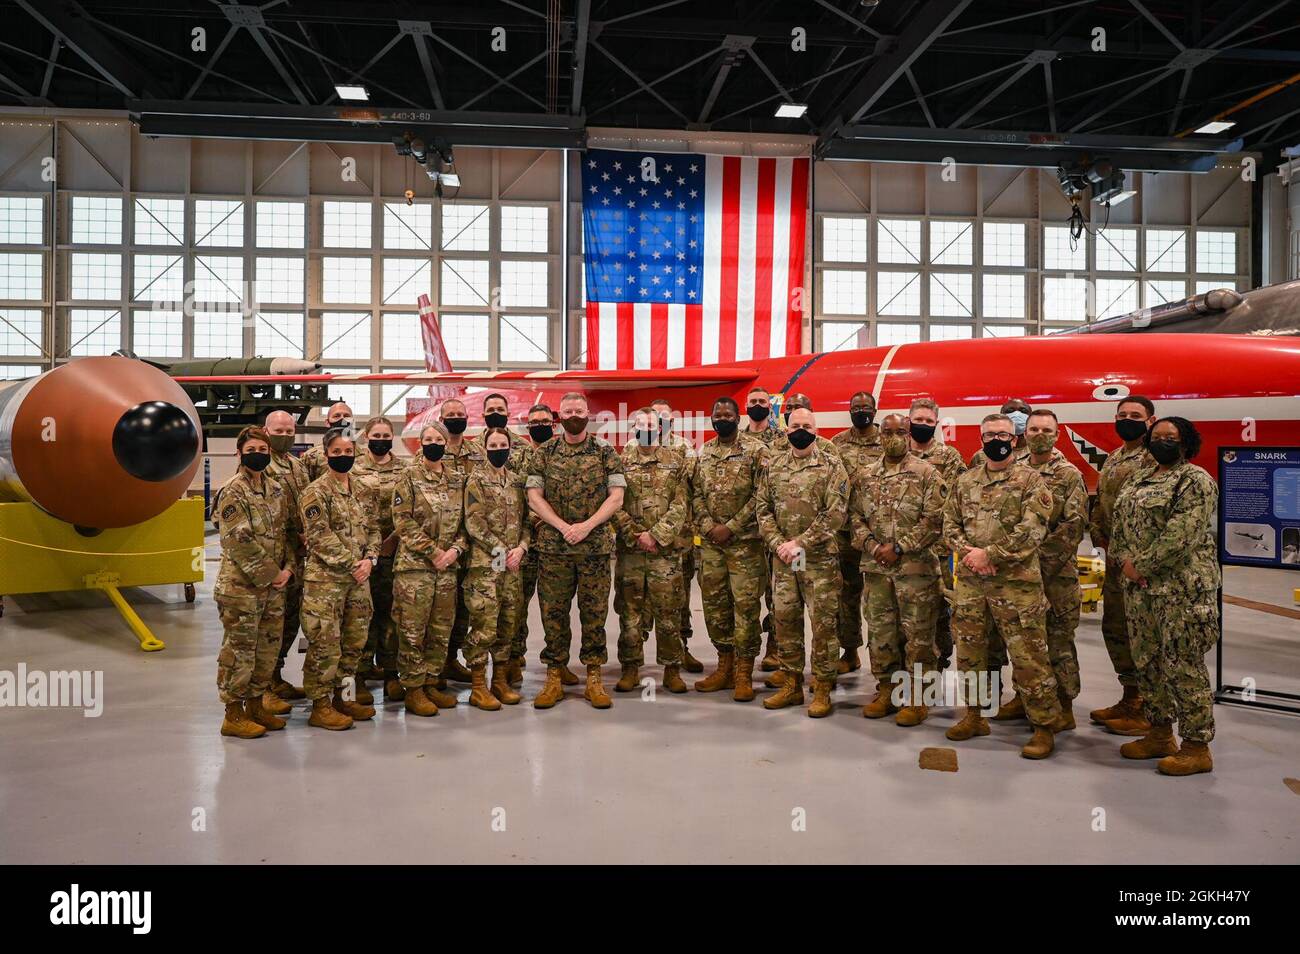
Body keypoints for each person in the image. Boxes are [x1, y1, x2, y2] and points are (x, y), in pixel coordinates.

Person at [943, 413, 1062, 759]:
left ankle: (1043, 726)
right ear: (980, 439)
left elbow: (1033, 529)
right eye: (990, 434)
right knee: (970, 653)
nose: (997, 439)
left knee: (1029, 656)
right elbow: (949, 524)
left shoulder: (1032, 482)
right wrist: (969, 553)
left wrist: (991, 554)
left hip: (1016, 586)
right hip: (971, 584)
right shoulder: (965, 482)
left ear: (1015, 439)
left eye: (1004, 435)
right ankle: (975, 715)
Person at [1108, 417, 1219, 776]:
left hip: (1181, 591)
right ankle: (1159, 734)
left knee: (1183, 666)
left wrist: (1141, 565)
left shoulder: (1195, 480)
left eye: (1170, 437)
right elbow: (1119, 526)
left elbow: (1181, 535)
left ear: (1186, 443)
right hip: (1141, 593)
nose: (1162, 442)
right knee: (1148, 663)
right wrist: (1124, 561)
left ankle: (1196, 746)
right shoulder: (1139, 477)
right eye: (1157, 437)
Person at [526, 391, 626, 709]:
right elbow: (533, 496)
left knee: (594, 615)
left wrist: (587, 525)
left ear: (588, 413)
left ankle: (593, 677)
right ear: (560, 415)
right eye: (567, 410)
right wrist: (560, 525)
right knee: (553, 614)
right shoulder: (545, 453)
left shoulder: (604, 450)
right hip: (554, 549)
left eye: (578, 410)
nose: (573, 415)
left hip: (594, 548)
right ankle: (554, 675)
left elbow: (617, 496)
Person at [849, 414, 944, 725]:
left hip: (915, 571)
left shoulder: (927, 473)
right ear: (880, 435)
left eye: (900, 431)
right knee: (880, 633)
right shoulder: (865, 476)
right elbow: (854, 519)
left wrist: (899, 547)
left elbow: (934, 520)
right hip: (877, 571)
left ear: (909, 434)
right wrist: (876, 548)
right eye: (887, 431)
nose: (893, 436)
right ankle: (887, 690)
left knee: (918, 636)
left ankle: (919, 698)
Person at [757, 408, 848, 717]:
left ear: (816, 429)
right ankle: (792, 684)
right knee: (785, 620)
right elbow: (762, 508)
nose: (800, 430)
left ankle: (822, 687)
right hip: (784, 560)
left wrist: (800, 543)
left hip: (818, 559)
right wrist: (778, 544)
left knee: (823, 624)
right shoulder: (774, 465)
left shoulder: (832, 465)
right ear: (786, 430)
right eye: (795, 425)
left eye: (806, 426)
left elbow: (836, 513)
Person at [214, 426, 295, 738]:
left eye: (263, 450)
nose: (258, 455)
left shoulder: (276, 489)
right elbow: (239, 541)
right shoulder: (232, 492)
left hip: (273, 589)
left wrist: (287, 569)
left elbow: (287, 533)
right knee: (240, 652)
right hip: (242, 590)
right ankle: (233, 714)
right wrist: (274, 574)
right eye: (252, 450)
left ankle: (257, 705)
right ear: (239, 453)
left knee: (266, 651)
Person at [298, 427, 381, 730]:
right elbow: (320, 536)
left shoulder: (362, 489)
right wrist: (353, 564)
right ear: (326, 454)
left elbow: (373, 528)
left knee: (353, 644)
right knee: (325, 644)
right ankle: (320, 706)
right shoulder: (314, 492)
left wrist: (370, 559)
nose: (343, 457)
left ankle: (343, 698)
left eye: (348, 452)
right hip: (326, 583)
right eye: (337, 452)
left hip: (359, 580)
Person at [1088, 395, 1158, 733]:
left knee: (1143, 633)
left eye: (1135, 415)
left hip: (1141, 564)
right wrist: (1098, 533)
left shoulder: (1155, 457)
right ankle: (1130, 697)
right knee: (1116, 628)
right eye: (1121, 414)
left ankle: (1149, 709)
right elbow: (1102, 500)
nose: (1127, 419)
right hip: (1116, 560)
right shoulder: (1116, 457)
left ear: (1150, 420)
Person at [692, 397, 767, 701]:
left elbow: (762, 495)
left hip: (745, 546)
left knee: (746, 607)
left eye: (727, 414)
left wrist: (731, 527)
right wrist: (710, 526)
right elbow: (695, 493)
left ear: (738, 417)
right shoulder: (706, 451)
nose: (722, 418)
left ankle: (744, 671)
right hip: (711, 547)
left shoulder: (756, 450)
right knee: (715, 606)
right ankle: (724, 664)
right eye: (717, 414)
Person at [612, 407, 691, 694]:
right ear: (632, 428)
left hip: (664, 554)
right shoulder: (620, 462)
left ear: (660, 428)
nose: (645, 428)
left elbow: (682, 504)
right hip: (631, 553)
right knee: (629, 614)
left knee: (669, 613)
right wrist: (636, 535)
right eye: (639, 424)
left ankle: (672, 669)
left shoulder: (676, 461)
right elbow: (614, 505)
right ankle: (630, 668)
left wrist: (656, 535)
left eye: (650, 424)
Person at [390, 423, 466, 717]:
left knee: (440, 629)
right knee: (412, 630)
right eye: (429, 439)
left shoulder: (457, 480)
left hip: (447, 568)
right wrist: (433, 552)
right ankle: (414, 689)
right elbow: (403, 521)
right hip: (415, 569)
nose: (434, 443)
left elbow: (465, 523)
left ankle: (433, 681)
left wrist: (454, 551)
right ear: (420, 443)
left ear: (447, 444)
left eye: (439, 439)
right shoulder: (407, 477)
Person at [1024, 410, 1088, 729]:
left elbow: (1073, 527)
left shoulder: (1068, 474)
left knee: (1059, 642)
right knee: (1026, 643)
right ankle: (1026, 698)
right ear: (1024, 433)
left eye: (1045, 429)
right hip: (1019, 579)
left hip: (1056, 576)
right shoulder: (1016, 471)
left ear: (1057, 434)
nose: (1039, 434)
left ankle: (1065, 706)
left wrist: (1035, 561)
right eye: (1033, 428)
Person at [462, 427, 530, 709]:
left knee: (508, 623)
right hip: (486, 566)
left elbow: (527, 521)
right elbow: (473, 522)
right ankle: (478, 686)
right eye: (494, 444)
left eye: (504, 444)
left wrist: (522, 548)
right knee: (484, 624)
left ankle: (499, 681)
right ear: (485, 448)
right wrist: (501, 549)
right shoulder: (475, 480)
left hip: (512, 567)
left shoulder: (516, 481)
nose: (499, 448)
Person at [908, 397, 966, 670]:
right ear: (909, 420)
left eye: (928, 421)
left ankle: (939, 661)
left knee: (940, 610)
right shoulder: (897, 455)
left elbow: (953, 500)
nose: (923, 425)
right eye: (918, 420)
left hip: (937, 549)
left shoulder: (949, 457)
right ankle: (909, 669)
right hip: (904, 551)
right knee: (909, 612)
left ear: (936, 424)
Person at [831, 390, 883, 674]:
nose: (860, 410)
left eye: (865, 407)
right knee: (846, 593)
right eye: (855, 407)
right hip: (845, 531)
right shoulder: (837, 443)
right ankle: (850, 651)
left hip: (878, 533)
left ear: (875, 411)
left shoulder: (887, 440)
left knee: (877, 598)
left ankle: (883, 658)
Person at [352, 416, 404, 699]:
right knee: (362, 615)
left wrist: (392, 540)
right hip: (361, 556)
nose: (381, 439)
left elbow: (411, 510)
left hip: (395, 552)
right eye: (376, 434)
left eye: (386, 434)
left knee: (390, 615)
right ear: (366, 437)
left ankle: (390, 674)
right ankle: (359, 674)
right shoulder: (355, 468)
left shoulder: (405, 470)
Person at [651, 397, 703, 673]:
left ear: (673, 421)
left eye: (665, 416)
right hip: (644, 541)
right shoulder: (637, 447)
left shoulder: (685, 448)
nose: (660, 421)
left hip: (679, 540)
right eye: (655, 416)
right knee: (641, 602)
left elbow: (691, 491)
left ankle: (682, 649)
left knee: (679, 597)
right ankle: (633, 660)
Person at [436, 398, 485, 687]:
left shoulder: (478, 453)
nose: (455, 418)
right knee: (442, 606)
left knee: (466, 607)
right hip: (444, 544)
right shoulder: (432, 451)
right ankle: (436, 665)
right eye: (449, 415)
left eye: (459, 414)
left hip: (472, 541)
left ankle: (452, 659)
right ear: (441, 419)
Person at [263, 409, 309, 706]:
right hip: (272, 560)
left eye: (288, 431)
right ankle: (262, 688)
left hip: (297, 559)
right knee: (268, 626)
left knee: (289, 623)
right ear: (265, 431)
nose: (284, 436)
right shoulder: (259, 465)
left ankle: (276, 678)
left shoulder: (298, 467)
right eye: (278, 432)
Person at [511, 403, 556, 686]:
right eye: (535, 421)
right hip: (526, 543)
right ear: (528, 427)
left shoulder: (563, 456)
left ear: (554, 424)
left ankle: (556, 662)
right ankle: (514, 660)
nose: (540, 424)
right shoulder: (517, 459)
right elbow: (512, 498)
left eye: (545, 420)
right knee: (517, 606)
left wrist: (552, 519)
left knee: (554, 608)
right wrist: (536, 517)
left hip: (555, 544)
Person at [969, 399, 1033, 466]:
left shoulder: (1038, 453)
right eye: (1010, 411)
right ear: (1002, 416)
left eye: (1023, 411)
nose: (1017, 414)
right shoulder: (981, 456)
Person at [301, 402, 354, 482]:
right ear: (327, 423)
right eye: (337, 416)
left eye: (346, 416)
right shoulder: (310, 457)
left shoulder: (365, 455)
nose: (342, 419)